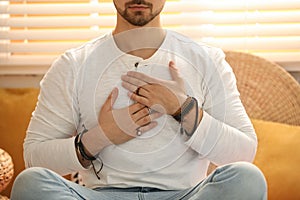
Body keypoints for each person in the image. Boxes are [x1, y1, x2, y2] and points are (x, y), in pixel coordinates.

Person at [11, 0, 267, 199]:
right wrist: (103, 135)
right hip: (98, 196)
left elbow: (244, 154)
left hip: (185, 195)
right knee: (30, 183)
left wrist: (182, 108)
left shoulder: (207, 60)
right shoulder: (73, 65)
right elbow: (35, 157)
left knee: (247, 178)